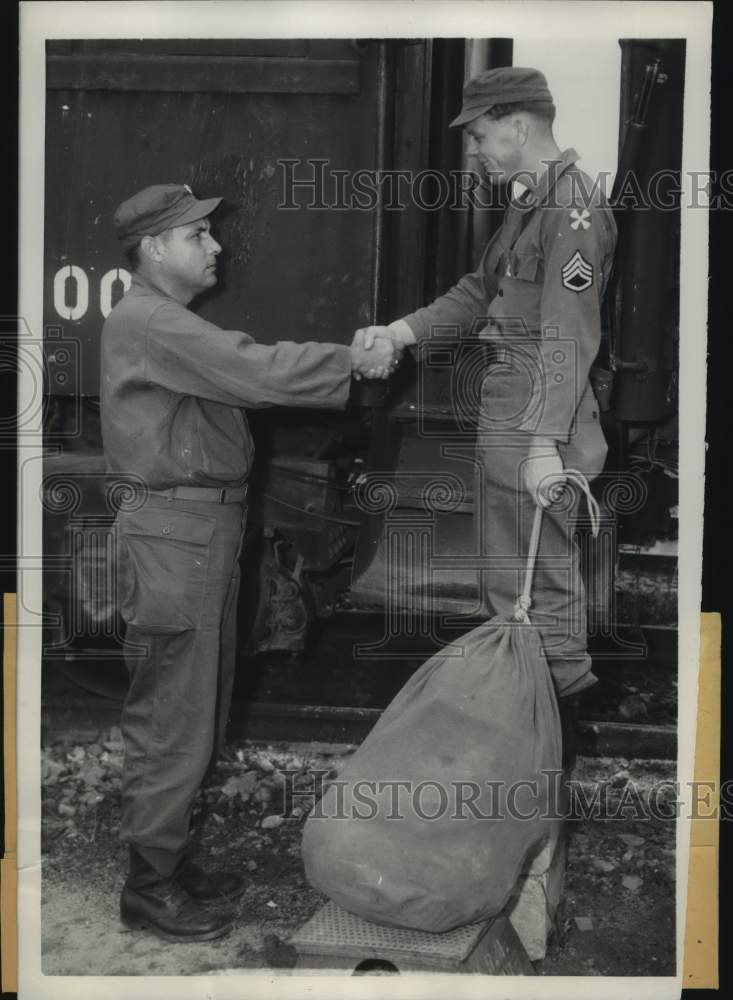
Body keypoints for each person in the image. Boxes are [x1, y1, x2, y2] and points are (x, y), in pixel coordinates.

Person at [100, 182, 396, 943]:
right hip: (177, 540)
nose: (216, 246)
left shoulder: (162, 321)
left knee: (195, 708)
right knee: (174, 717)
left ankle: (167, 862)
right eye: (198, 235)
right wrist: (351, 361)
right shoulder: (155, 322)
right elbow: (257, 369)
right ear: (156, 247)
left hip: (193, 539)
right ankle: (149, 886)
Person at [355, 67, 617, 699]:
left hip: (536, 411)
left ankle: (544, 741)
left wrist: (544, 445)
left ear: (517, 126)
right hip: (513, 405)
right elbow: (481, 292)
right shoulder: (531, 205)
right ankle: (527, 737)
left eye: (479, 135)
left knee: (538, 590)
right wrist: (400, 331)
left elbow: (569, 331)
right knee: (511, 588)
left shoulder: (573, 208)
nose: (473, 152)